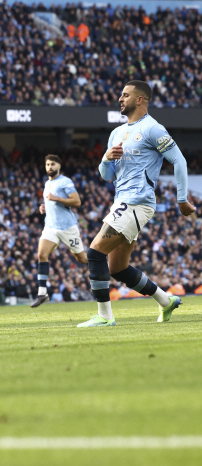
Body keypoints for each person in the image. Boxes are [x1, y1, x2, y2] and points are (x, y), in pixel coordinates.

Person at [79, 81, 196, 327]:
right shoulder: (116, 133)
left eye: (125, 95)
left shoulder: (153, 129)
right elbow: (106, 176)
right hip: (122, 200)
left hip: (138, 201)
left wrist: (182, 199)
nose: (120, 99)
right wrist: (105, 158)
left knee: (95, 252)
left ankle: (104, 316)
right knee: (118, 268)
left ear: (140, 99)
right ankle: (166, 301)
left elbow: (179, 161)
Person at [32, 154, 88, 307]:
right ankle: (42, 293)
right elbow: (51, 203)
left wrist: (56, 199)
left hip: (67, 227)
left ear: (59, 166)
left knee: (82, 259)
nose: (50, 167)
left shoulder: (65, 182)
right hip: (50, 226)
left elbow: (77, 202)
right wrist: (44, 208)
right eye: (48, 164)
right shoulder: (47, 184)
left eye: (53, 164)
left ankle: (101, 262)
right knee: (41, 254)